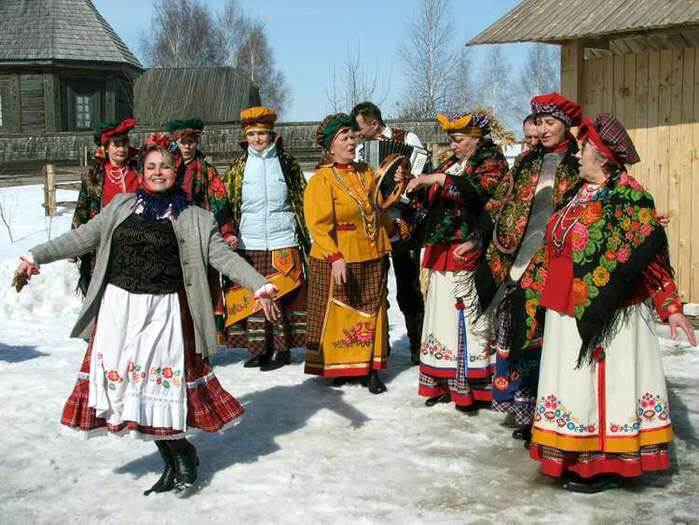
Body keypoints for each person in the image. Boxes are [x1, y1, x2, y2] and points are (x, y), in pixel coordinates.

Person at [13, 134, 278, 496]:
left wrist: (259, 284)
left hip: (165, 313)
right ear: (141, 171)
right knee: (131, 390)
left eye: (165, 166)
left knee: (160, 388)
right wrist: (35, 256)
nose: (157, 173)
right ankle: (170, 462)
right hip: (119, 314)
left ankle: (183, 455)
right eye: (151, 166)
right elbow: (82, 237)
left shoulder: (196, 218)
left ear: (176, 171)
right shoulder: (121, 207)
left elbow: (224, 258)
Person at [524, 113, 696, 492]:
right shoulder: (578, 193)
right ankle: (573, 454)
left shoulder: (628, 197)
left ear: (602, 157)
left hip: (609, 311)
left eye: (585, 149)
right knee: (572, 384)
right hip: (565, 305)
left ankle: (605, 465)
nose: (580, 154)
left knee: (603, 384)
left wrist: (671, 307)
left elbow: (651, 256)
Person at [475, 93, 583, 443]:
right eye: (539, 122)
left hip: (554, 267)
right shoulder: (525, 162)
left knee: (546, 339)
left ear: (565, 126)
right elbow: (501, 202)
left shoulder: (578, 163)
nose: (543, 129)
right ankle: (528, 412)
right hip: (517, 265)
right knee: (520, 336)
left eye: (550, 122)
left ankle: (551, 414)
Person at [405, 109, 510, 410]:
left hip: (471, 246)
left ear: (476, 138)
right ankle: (442, 379)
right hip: (442, 248)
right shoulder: (453, 163)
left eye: (458, 139)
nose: (453, 146)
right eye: (451, 140)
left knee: (467, 315)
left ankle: (473, 387)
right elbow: (435, 198)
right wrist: (416, 187)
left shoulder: (492, 161)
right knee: (440, 316)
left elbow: (478, 193)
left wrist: (437, 177)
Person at [303, 113, 403, 394]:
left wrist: (394, 223)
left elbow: (378, 207)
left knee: (372, 310)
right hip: (340, 256)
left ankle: (370, 368)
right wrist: (334, 257)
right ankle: (343, 367)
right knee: (343, 312)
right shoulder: (322, 180)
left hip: (372, 251)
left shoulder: (366, 173)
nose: (351, 142)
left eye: (353, 136)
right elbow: (317, 225)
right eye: (343, 138)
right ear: (330, 147)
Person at [223, 106, 310, 371]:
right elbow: (228, 203)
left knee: (281, 295)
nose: (258, 139)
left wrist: (304, 234)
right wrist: (229, 233)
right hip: (249, 241)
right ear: (245, 137)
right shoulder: (238, 168)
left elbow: (301, 198)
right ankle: (260, 350)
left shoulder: (287, 163)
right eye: (252, 135)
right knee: (254, 296)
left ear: (272, 135)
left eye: (262, 134)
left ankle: (281, 350)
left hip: (283, 238)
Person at [351, 101, 425, 365]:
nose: (358, 135)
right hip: (376, 226)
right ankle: (379, 344)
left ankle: (418, 344)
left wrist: (404, 185)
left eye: (361, 129)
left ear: (374, 124)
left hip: (404, 225)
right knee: (376, 287)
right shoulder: (360, 150)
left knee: (409, 287)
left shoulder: (407, 138)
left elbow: (421, 174)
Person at [166, 118, 237, 341]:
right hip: (169, 235)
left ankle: (202, 341)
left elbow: (220, 202)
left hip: (198, 235)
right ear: (176, 142)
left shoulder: (206, 171)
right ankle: (175, 339)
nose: (187, 146)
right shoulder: (165, 166)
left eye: (192, 141)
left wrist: (226, 231)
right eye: (183, 141)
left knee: (202, 285)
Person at [72, 118, 140, 295]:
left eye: (124, 144)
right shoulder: (94, 175)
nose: (121, 149)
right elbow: (82, 209)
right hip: (104, 242)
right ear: (106, 147)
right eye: (116, 144)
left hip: (136, 241)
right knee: (104, 292)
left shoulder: (139, 170)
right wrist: (75, 245)